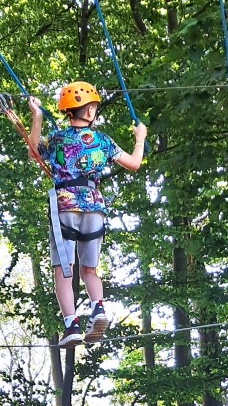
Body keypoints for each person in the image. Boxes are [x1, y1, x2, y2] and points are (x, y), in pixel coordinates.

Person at [27, 81, 146, 348]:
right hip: (94, 207)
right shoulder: (102, 141)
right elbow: (134, 164)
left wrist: (36, 117)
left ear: (68, 112)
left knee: (63, 270)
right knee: (89, 269)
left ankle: (71, 324)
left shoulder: (57, 139)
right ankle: (98, 307)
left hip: (65, 207)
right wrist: (140, 139)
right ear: (89, 111)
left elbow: (33, 151)